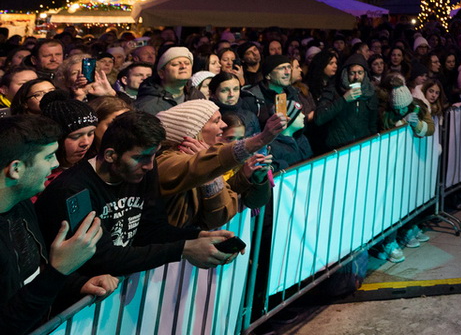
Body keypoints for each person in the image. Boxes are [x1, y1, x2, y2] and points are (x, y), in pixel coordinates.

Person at [35, 112, 241, 277]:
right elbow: (100, 257)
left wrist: (198, 236)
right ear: (110, 155)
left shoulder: (143, 172)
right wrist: (184, 249)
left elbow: (151, 230)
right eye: (141, 157)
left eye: (153, 155)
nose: (150, 165)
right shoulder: (72, 190)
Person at [1, 116, 118, 335]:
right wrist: (59, 270)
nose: (55, 163)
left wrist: (77, 284)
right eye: (47, 156)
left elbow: (32, 278)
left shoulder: (22, 203)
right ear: (15, 169)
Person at [155, 100, 282, 228]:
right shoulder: (165, 161)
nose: (224, 125)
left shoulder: (205, 159)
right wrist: (260, 140)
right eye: (216, 121)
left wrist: (246, 177)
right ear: (195, 130)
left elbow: (221, 213)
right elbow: (218, 215)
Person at [312, 54, 379, 151]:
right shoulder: (333, 90)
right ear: (346, 74)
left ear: (365, 74)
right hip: (338, 149)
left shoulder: (370, 93)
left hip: (363, 147)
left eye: (360, 73)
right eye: (352, 73)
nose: (356, 77)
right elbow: (319, 118)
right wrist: (344, 100)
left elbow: (373, 124)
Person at [134, 46, 199, 115]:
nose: (183, 66)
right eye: (175, 64)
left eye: (187, 63)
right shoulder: (146, 105)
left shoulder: (197, 96)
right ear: (161, 73)